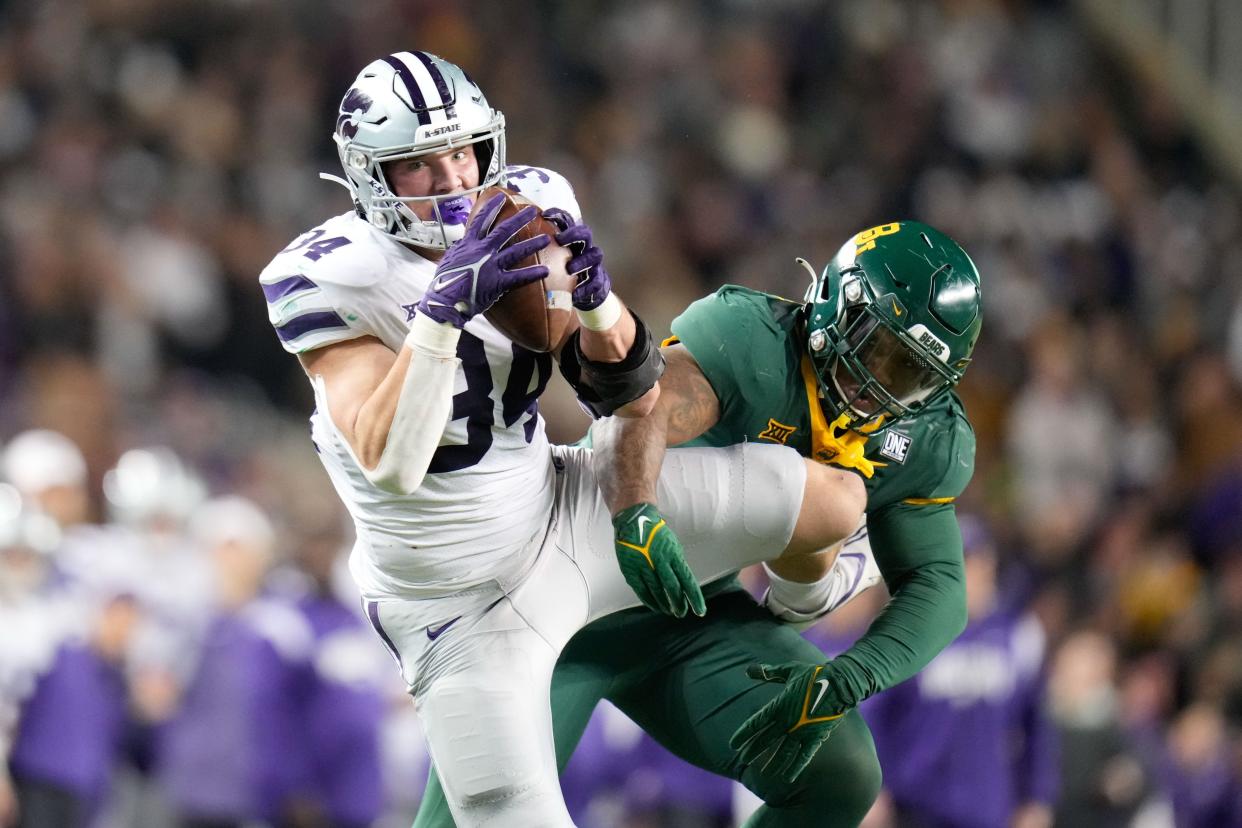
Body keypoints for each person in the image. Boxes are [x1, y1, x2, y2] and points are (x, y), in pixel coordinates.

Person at [259, 51, 866, 827]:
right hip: (461, 598)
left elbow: (617, 394)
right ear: (370, 174)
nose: (452, 178)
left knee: (830, 501)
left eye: (463, 151)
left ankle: (795, 606)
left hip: (559, 503)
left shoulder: (529, 203)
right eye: (418, 163)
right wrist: (439, 317)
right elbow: (392, 462)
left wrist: (601, 310)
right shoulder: (330, 274)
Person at [414, 220, 983, 827]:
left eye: (912, 374)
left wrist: (852, 676)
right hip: (561, 588)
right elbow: (635, 413)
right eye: (878, 348)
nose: (880, 385)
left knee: (841, 771)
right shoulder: (754, 340)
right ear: (838, 306)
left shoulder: (928, 437)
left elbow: (940, 586)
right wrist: (634, 510)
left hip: (689, 609)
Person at [862, 515, 1058, 828]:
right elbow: (874, 715)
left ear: (987, 564)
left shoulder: (1018, 635)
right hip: (916, 805)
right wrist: (871, 788)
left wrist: (1036, 798)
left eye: (967, 561)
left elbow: (1036, 725)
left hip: (988, 807)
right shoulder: (909, 632)